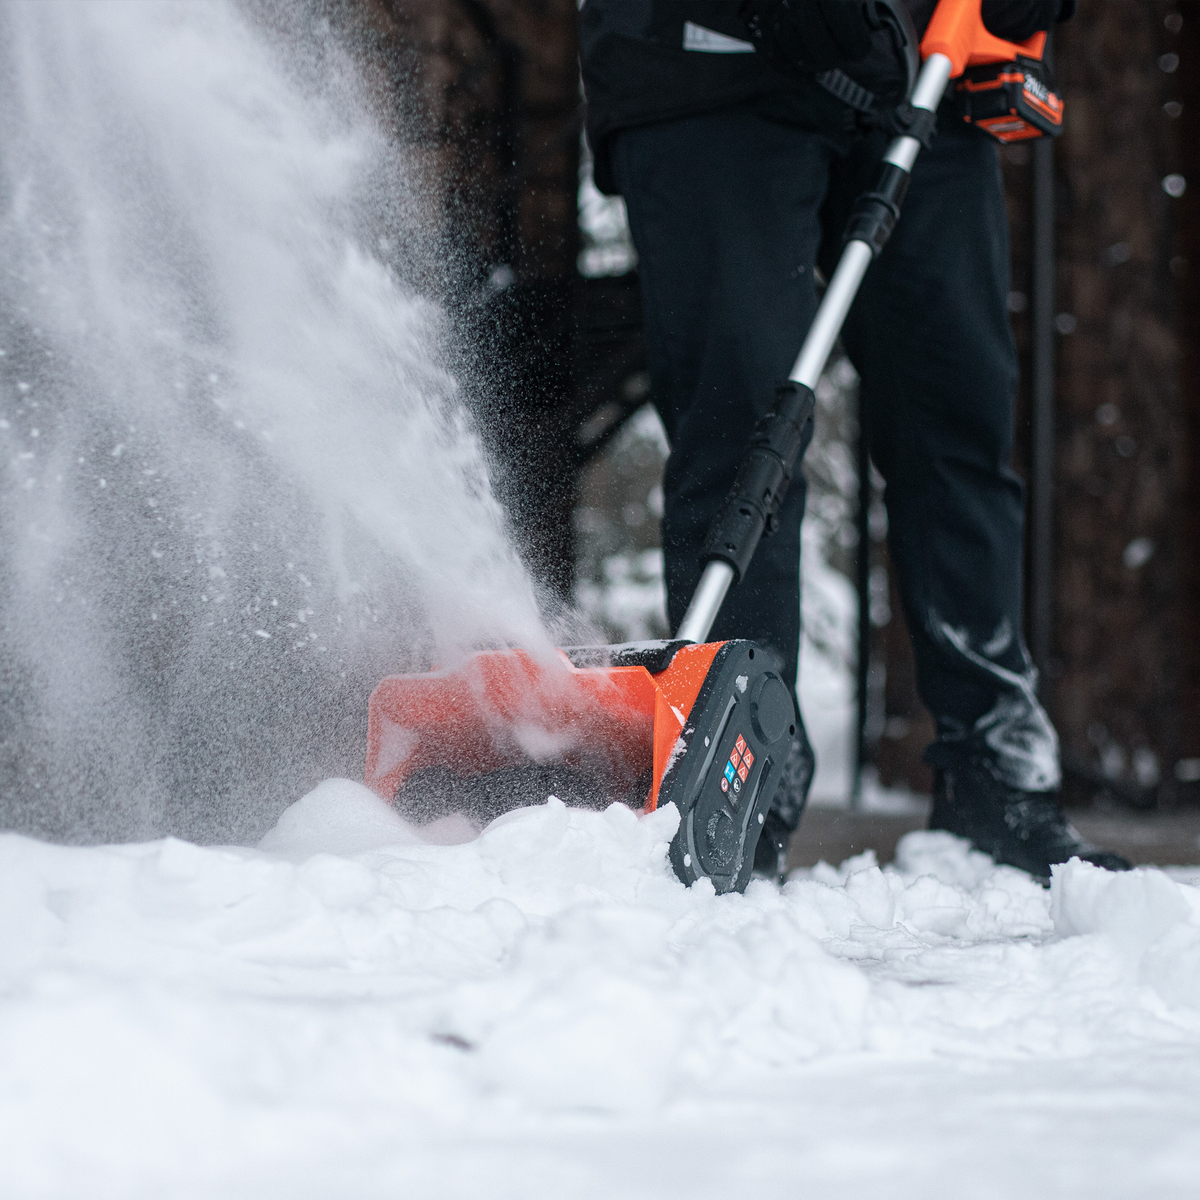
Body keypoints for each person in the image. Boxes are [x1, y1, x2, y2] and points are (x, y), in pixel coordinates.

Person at [579, 0, 1131, 883]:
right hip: (709, 65)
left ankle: (994, 769)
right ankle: (741, 775)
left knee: (958, 416)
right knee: (741, 421)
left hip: (922, 68)